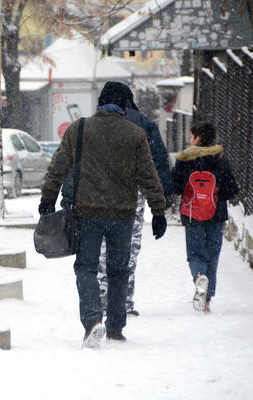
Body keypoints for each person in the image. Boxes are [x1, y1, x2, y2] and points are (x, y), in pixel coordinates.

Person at [39, 86, 167, 348]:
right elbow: (148, 176)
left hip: (87, 213)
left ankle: (92, 320)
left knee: (86, 268)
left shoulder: (80, 128)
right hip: (122, 214)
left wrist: (47, 199)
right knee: (118, 270)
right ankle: (116, 328)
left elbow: (58, 167)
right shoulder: (136, 134)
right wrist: (158, 211)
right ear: (125, 107)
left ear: (100, 104)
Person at [61, 82, 173, 317]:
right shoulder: (143, 125)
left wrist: (66, 193)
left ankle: (98, 302)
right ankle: (123, 304)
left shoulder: (85, 126)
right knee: (124, 257)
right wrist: (161, 202)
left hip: (90, 200)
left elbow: (72, 163)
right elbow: (155, 165)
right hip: (128, 199)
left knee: (91, 258)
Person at [171, 122, 238, 312]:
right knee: (212, 255)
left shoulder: (184, 159)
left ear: (197, 138)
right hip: (216, 214)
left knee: (195, 253)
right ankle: (207, 301)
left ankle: (199, 277)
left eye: (192, 136)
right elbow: (232, 190)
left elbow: (175, 186)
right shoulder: (220, 159)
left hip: (192, 214)